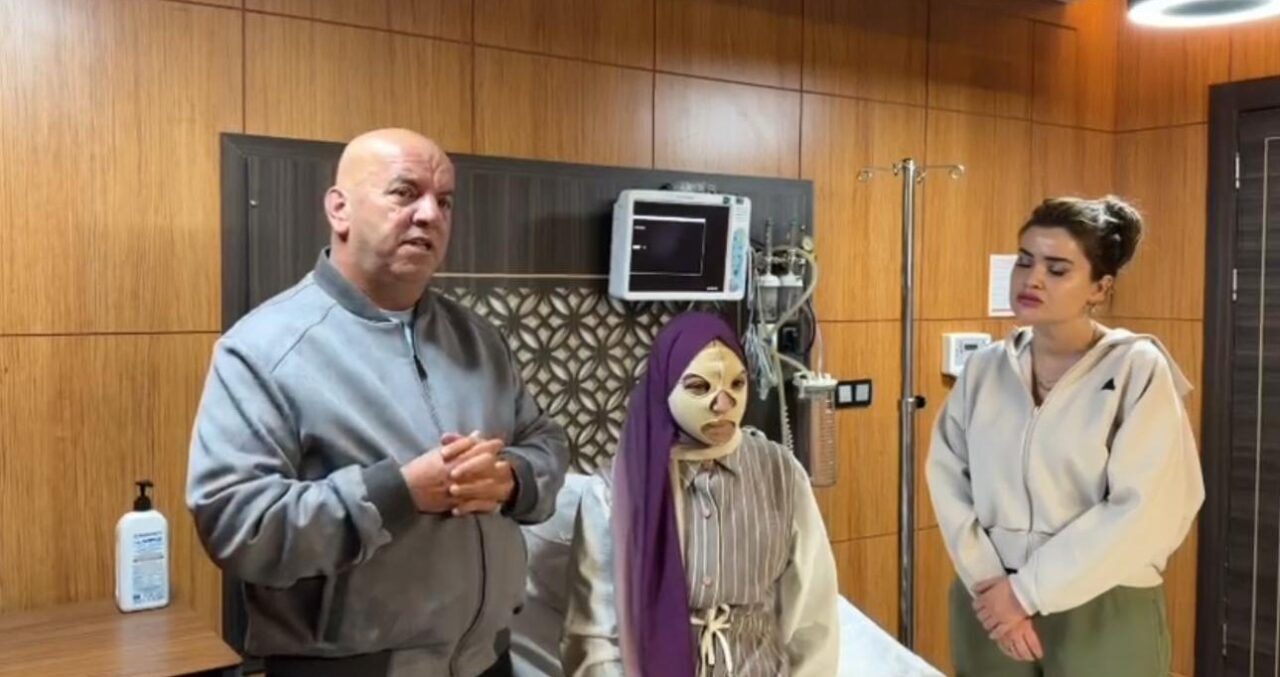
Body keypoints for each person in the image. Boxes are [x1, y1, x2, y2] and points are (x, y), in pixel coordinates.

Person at [186, 128, 569, 677]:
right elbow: (237, 523)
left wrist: (511, 478)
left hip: (486, 660)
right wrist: (397, 493)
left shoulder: (478, 339)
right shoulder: (264, 349)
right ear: (339, 209)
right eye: (404, 193)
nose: (429, 215)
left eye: (444, 201)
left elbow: (546, 442)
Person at [926, 196, 1204, 676]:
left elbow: (1146, 508)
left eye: (1057, 269)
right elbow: (949, 482)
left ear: (1100, 288)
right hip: (989, 599)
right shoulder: (984, 370)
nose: (1032, 279)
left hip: (1103, 602)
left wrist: (1027, 592)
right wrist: (993, 586)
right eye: (1024, 261)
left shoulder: (1136, 369)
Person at [561, 311, 839, 677]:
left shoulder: (782, 475)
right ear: (665, 387)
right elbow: (594, 640)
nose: (723, 405)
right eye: (698, 387)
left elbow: (813, 620)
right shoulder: (614, 494)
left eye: (737, 384)